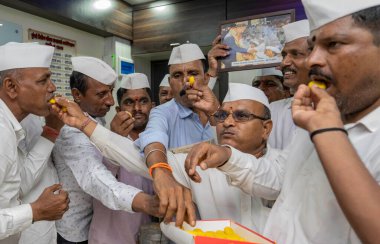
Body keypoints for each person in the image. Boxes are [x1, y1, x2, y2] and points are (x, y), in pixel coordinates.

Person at [185, 1, 380, 243]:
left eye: (333, 44)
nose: (312, 61)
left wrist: (328, 132)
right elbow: (280, 178)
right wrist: (227, 157)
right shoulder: (321, 115)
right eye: (312, 47)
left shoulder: (327, 123)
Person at [50, 83, 280, 234]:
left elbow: (267, 179)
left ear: (266, 128)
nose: (228, 122)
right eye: (222, 115)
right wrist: (84, 123)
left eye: (241, 116)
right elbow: (133, 156)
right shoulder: (199, 163)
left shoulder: (286, 163)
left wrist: (227, 157)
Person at [52, 57, 159, 244]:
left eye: (110, 92)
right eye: (101, 94)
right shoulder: (71, 131)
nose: (109, 101)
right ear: (77, 95)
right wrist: (148, 203)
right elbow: (96, 179)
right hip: (75, 231)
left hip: (96, 222)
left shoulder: (97, 120)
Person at [134, 43, 220, 226]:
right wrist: (160, 170)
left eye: (193, 73)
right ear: (170, 82)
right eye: (177, 75)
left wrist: (215, 112)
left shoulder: (219, 108)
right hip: (184, 218)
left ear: (206, 77)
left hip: (224, 210)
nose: (186, 81)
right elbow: (153, 137)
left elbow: (233, 145)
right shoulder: (163, 113)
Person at [0, 42, 69, 243]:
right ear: (11, 87)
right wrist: (36, 211)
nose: (53, 87)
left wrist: (51, 130)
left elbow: (15, 186)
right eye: (43, 81)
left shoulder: (13, 124)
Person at [88, 73, 154, 244]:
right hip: (109, 238)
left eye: (143, 101)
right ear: (119, 110)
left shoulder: (158, 145)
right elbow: (99, 180)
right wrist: (114, 141)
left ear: (152, 106)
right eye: (129, 102)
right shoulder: (103, 141)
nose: (137, 108)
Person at [19, 113, 64, 244]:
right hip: (28, 231)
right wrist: (51, 130)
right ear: (12, 91)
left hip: (50, 225)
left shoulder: (32, 115)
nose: (51, 90)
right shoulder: (5, 125)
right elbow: (18, 186)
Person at [268, 19, 310, 150]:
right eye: (284, 55)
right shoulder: (273, 110)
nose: (284, 63)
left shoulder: (339, 109)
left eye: (296, 54)